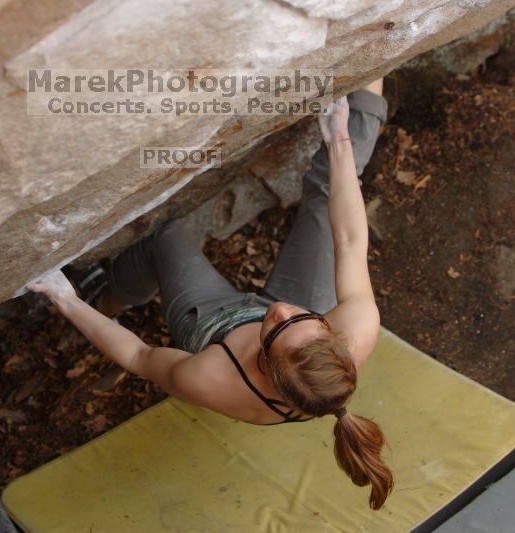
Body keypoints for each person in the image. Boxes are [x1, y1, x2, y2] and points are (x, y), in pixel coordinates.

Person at [28, 78, 393, 510]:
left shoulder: (215, 380)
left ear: (267, 371)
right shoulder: (356, 329)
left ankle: (111, 298)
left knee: (162, 235)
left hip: (214, 325)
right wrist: (338, 139)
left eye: (275, 329)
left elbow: (140, 357)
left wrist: (64, 299)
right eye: (300, 318)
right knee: (332, 188)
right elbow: (350, 238)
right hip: (289, 335)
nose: (277, 311)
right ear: (333, 335)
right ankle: (364, 99)